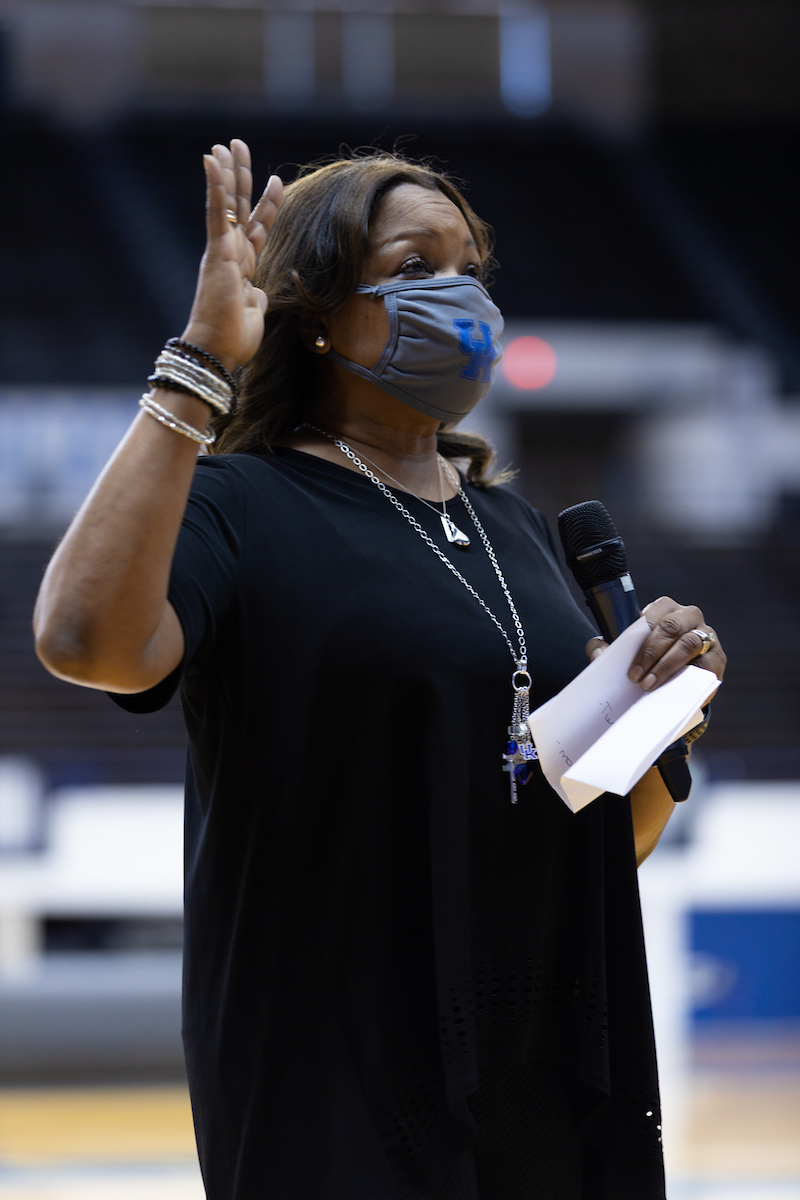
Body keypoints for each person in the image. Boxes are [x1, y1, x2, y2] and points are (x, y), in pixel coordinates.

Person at [34, 141, 726, 1200]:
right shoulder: (238, 504)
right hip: (334, 1059)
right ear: (314, 310)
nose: (459, 296)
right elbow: (84, 641)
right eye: (414, 268)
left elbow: (591, 838)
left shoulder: (516, 529)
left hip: (535, 1050)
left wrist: (652, 725)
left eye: (469, 269)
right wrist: (200, 360)